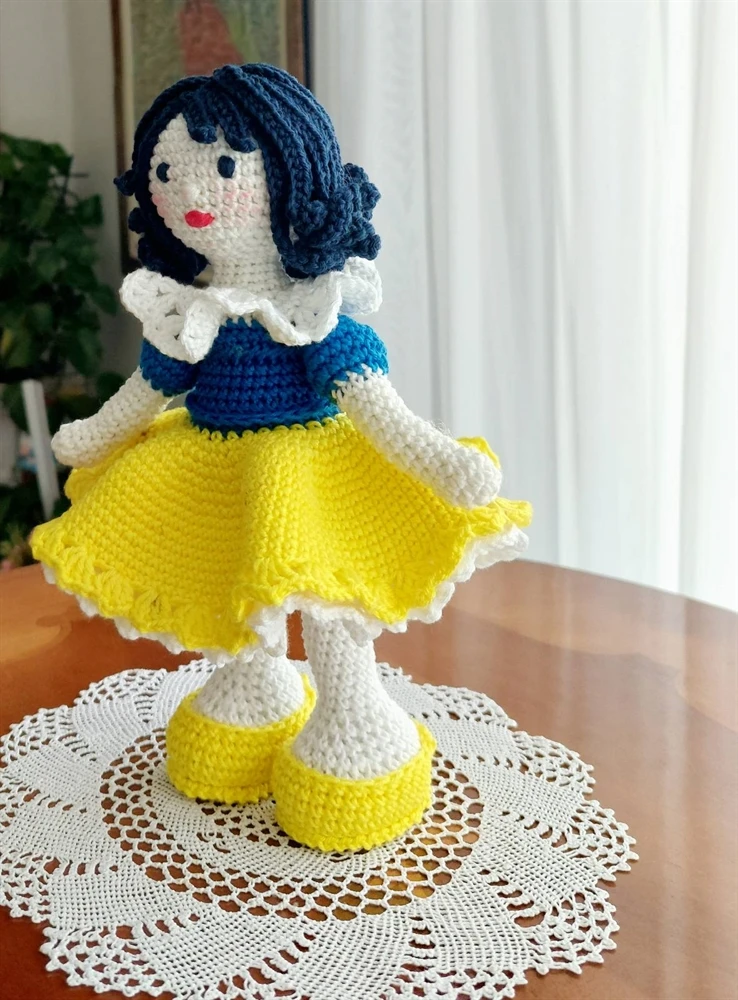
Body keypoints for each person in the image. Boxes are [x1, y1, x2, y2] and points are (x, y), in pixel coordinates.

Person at [32, 64, 531, 852]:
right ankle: (255, 689)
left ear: (294, 176)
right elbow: (149, 387)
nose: (190, 193)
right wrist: (95, 434)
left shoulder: (313, 308)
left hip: (311, 471)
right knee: (233, 581)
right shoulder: (190, 312)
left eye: (226, 167)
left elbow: (373, 400)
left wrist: (439, 459)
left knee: (328, 603)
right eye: (166, 174)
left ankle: (358, 717)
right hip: (216, 467)